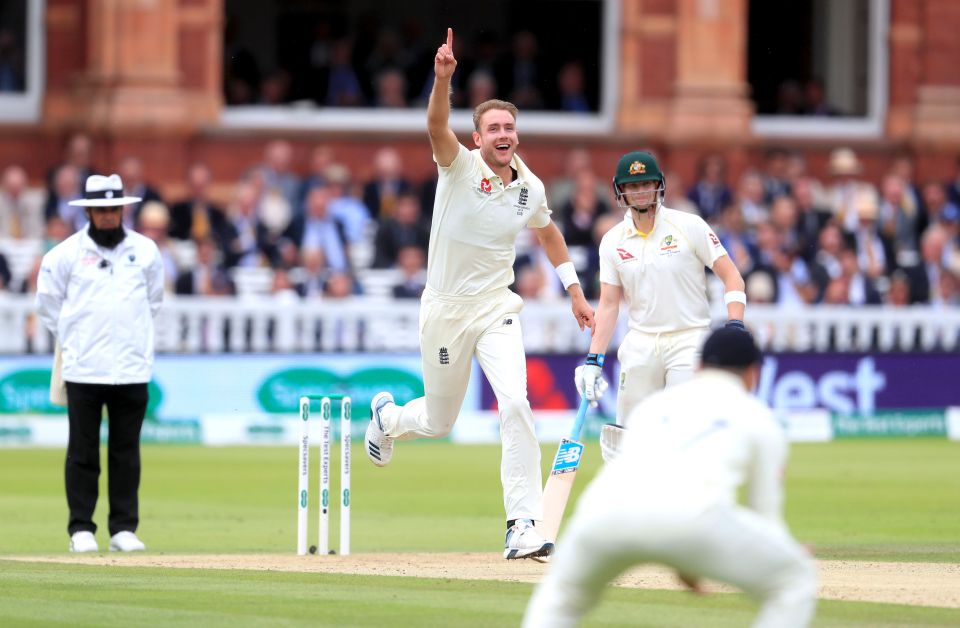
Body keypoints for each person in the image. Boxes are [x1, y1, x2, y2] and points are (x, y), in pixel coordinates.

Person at [365, 28, 594, 562]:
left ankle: (522, 526)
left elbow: (549, 234)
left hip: (497, 308)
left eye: (509, 126)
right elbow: (434, 124)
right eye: (493, 127)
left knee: (515, 402)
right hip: (446, 310)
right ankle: (389, 420)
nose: (502, 134)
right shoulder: (458, 166)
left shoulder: (530, 187)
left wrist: (575, 291)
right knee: (441, 421)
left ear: (517, 135)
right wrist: (444, 78)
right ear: (478, 139)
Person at [524, 328, 818, 628]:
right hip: (694, 522)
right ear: (754, 374)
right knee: (793, 579)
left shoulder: (653, 407)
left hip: (601, 514)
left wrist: (687, 555)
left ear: (699, 366)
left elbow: (649, 482)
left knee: (560, 599)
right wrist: (778, 547)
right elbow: (764, 516)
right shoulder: (759, 419)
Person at [574, 150, 746, 459]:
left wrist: (735, 325)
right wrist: (593, 360)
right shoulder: (612, 240)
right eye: (632, 186)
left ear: (658, 185)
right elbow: (610, 305)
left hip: (689, 338)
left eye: (646, 184)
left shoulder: (689, 225)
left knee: (685, 430)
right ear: (621, 190)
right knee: (626, 440)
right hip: (641, 342)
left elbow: (732, 276)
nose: (640, 191)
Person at [36, 174, 164, 553]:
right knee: (83, 451)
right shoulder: (64, 255)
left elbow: (153, 302)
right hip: (84, 367)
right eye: (101, 209)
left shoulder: (145, 252)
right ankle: (81, 528)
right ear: (89, 210)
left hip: (130, 368)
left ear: (122, 209)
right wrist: (76, 341)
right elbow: (47, 306)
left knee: (126, 451)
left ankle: (123, 528)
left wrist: (133, 341)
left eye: (114, 208)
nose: (108, 215)